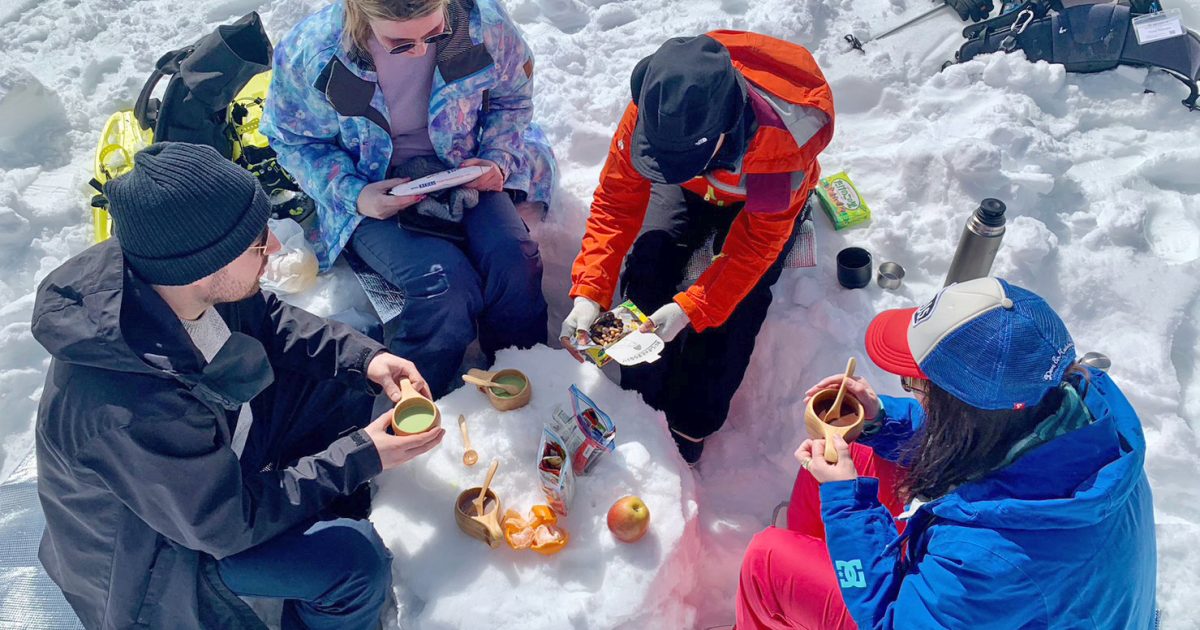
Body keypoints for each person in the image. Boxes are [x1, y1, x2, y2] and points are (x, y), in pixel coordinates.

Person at [32, 143, 446, 630]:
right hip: (165, 555)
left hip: (211, 455)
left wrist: (368, 360)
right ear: (202, 267)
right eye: (256, 244)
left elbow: (265, 319)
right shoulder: (133, 408)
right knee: (353, 567)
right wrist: (361, 454)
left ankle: (322, 503)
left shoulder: (166, 269)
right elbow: (228, 524)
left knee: (347, 382)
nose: (274, 247)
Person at [735, 277, 1157, 628]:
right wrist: (881, 418)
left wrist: (847, 507)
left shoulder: (988, 557)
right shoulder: (1077, 415)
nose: (915, 393)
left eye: (918, 388)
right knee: (860, 450)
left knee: (767, 563)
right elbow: (990, 440)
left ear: (964, 415)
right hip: (1003, 601)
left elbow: (893, 622)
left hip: (950, 606)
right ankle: (834, 561)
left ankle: (805, 587)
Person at [561, 32, 835, 463]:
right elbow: (617, 201)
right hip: (688, 187)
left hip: (756, 200)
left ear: (723, 134)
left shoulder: (779, 147)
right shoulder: (654, 104)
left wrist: (693, 308)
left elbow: (756, 246)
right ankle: (642, 403)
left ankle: (691, 422)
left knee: (738, 308)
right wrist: (589, 290)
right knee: (650, 265)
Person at [262, 0, 556, 399]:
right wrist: (355, 194)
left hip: (461, 165)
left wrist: (497, 159)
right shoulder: (312, 52)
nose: (419, 50)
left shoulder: (480, 23)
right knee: (443, 285)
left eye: (433, 35)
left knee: (514, 258)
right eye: (399, 43)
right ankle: (419, 402)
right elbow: (295, 141)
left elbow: (512, 100)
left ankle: (524, 376)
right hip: (371, 184)